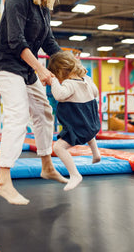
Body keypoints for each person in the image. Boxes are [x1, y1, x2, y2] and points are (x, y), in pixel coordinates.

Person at [0, 0, 70, 205]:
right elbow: (16, 42)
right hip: (5, 65)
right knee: (19, 114)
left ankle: (47, 166)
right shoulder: (17, 0)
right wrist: (42, 70)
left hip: (24, 69)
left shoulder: (43, 9)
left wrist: (72, 67)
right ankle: (3, 181)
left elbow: (49, 42)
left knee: (44, 113)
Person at [47, 50, 101, 191]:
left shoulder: (69, 84)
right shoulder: (87, 80)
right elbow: (95, 92)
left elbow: (59, 95)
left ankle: (75, 174)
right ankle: (96, 153)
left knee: (58, 147)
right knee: (89, 133)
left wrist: (53, 81)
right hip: (93, 125)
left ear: (60, 71)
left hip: (79, 127)